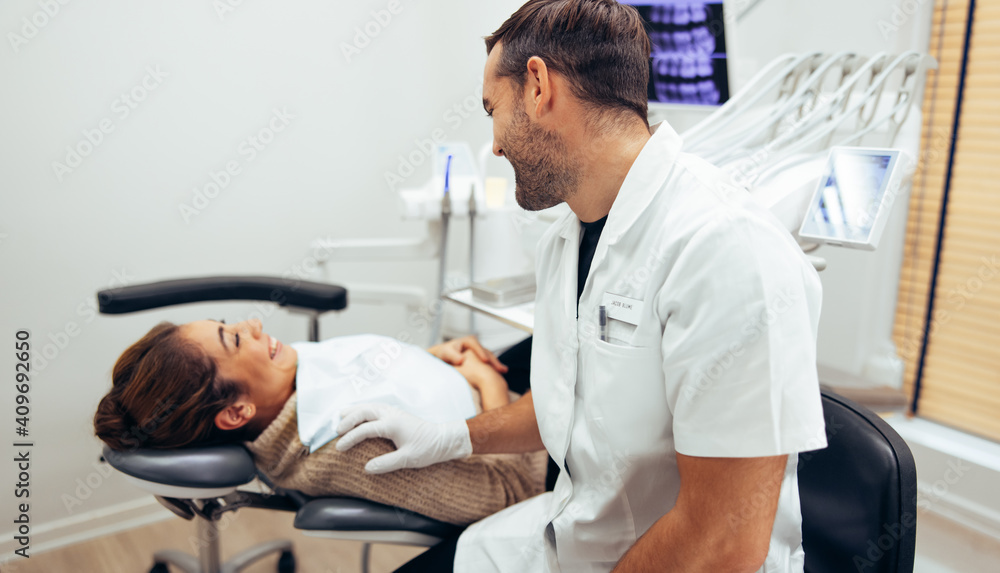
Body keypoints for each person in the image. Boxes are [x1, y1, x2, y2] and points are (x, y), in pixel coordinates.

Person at [334, 1, 828, 571]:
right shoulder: (566, 239)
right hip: (572, 535)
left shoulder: (725, 250)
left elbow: (723, 542)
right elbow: (568, 402)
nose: (494, 145)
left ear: (538, 86)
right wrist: (450, 436)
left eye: (491, 110)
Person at [93, 319, 547, 526]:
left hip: (485, 395)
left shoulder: (288, 386)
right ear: (236, 412)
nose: (253, 324)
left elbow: (362, 377)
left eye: (229, 323)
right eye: (234, 339)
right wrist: (486, 380)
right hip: (540, 449)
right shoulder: (348, 443)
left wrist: (430, 360)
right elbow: (514, 492)